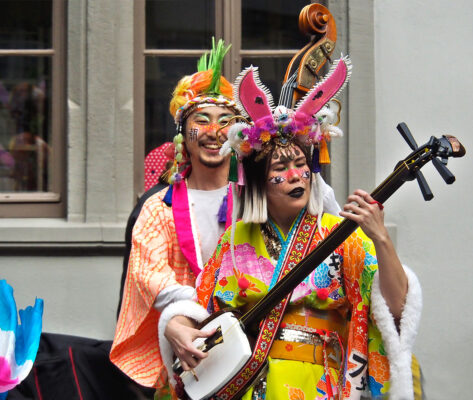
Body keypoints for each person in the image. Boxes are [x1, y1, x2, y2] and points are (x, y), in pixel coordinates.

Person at [160, 58, 423, 400]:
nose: (296, 175)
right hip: (248, 383)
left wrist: (381, 239)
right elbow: (202, 311)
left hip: (317, 384)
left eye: (301, 165)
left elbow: (395, 310)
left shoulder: (340, 236)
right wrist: (175, 325)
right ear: (256, 181)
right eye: (281, 167)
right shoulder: (235, 240)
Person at [110, 39, 341, 395]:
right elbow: (149, 273)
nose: (214, 132)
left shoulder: (264, 194)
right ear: (182, 135)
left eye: (226, 122)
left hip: (275, 355)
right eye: (201, 121)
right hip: (198, 358)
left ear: (239, 137)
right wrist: (176, 319)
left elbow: (326, 237)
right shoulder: (160, 207)